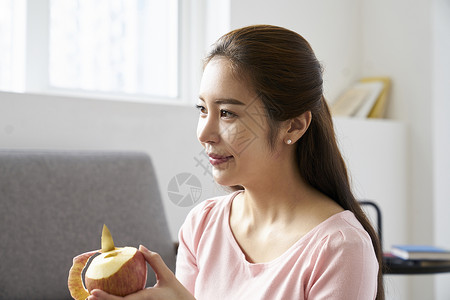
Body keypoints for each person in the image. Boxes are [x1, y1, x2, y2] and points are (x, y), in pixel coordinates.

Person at [88, 25, 384, 300]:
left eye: (227, 113)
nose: (204, 133)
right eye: (203, 109)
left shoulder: (340, 247)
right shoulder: (202, 224)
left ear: (293, 126)